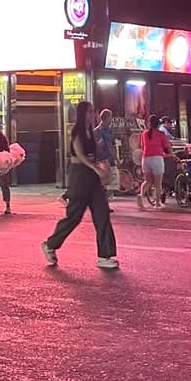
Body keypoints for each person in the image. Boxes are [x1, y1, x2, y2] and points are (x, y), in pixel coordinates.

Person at [42, 101, 118, 269]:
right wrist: (95, 168)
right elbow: (80, 155)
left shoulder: (92, 132)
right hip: (80, 176)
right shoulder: (77, 132)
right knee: (74, 216)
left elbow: (96, 154)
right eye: (90, 112)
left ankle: (105, 255)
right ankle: (50, 244)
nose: (93, 114)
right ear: (83, 113)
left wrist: (104, 166)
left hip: (93, 176)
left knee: (102, 213)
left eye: (93, 111)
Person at [138, 114, 170, 210]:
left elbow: (142, 147)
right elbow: (167, 147)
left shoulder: (144, 134)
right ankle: (158, 203)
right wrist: (171, 154)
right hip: (157, 159)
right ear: (158, 124)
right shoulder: (161, 134)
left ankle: (140, 196)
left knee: (148, 181)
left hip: (145, 159)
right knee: (158, 183)